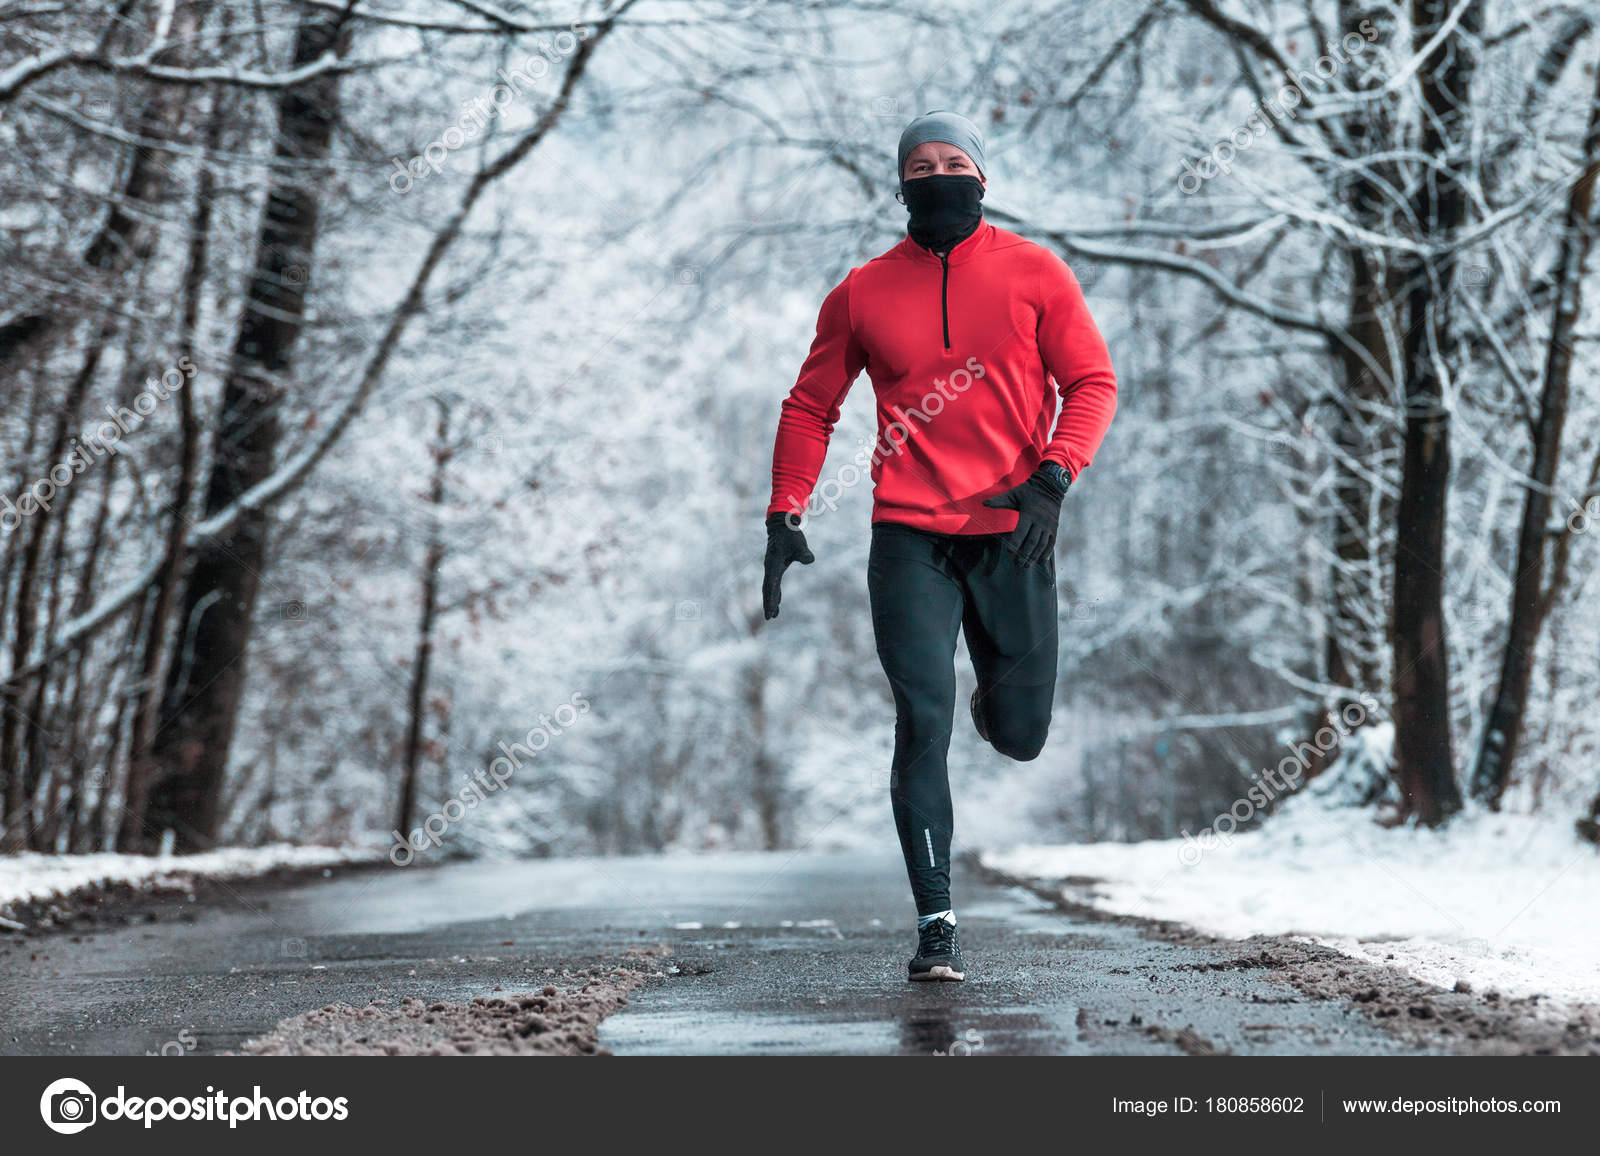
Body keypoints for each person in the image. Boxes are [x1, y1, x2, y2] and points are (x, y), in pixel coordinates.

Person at [762, 111, 1117, 981]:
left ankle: (993, 697)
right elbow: (811, 406)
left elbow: (1092, 382)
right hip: (909, 537)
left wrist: (1054, 476)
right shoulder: (863, 291)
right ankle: (937, 925)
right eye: (920, 165)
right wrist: (784, 510)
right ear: (901, 185)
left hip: (1013, 534)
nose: (937, 174)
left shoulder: (1035, 272)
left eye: (954, 162)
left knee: (1022, 733)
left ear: (982, 181)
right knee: (921, 720)